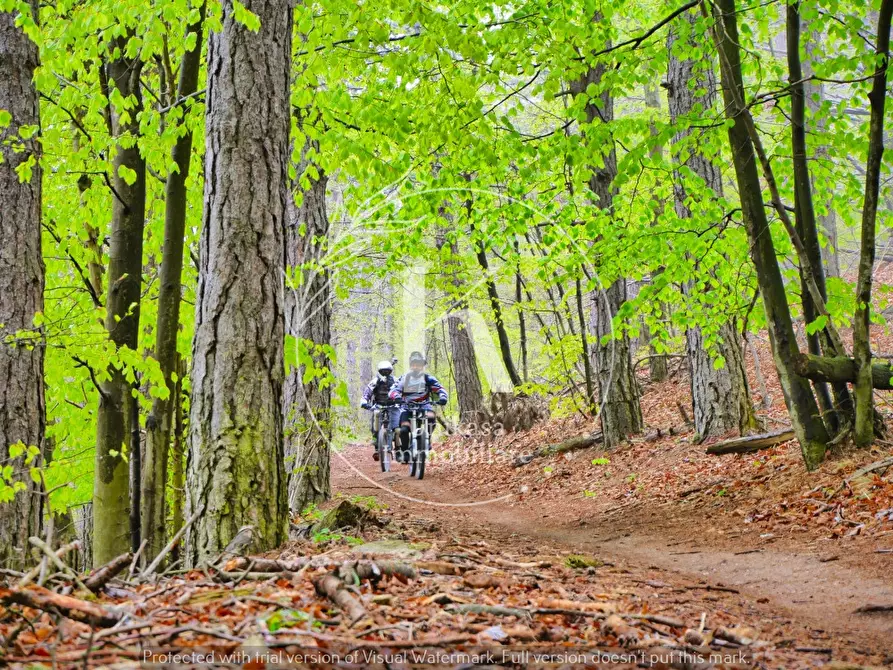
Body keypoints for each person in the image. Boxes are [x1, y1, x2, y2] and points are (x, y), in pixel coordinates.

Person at [389, 351, 448, 463]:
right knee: (404, 430)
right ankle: (405, 452)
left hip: (424, 407)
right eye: (414, 364)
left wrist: (443, 397)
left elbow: (440, 389)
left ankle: (427, 439)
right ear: (411, 365)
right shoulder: (404, 378)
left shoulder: (428, 378)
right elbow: (393, 390)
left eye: (419, 364)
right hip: (407, 408)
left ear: (422, 366)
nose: (416, 367)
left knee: (431, 417)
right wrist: (396, 396)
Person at [360, 360, 399, 461]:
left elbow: (402, 392)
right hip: (378, 407)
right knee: (375, 428)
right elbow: (367, 393)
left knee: (398, 428)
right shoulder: (375, 381)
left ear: (390, 371)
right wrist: (364, 402)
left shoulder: (396, 381)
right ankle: (377, 448)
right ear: (379, 371)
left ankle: (398, 448)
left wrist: (404, 401)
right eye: (383, 371)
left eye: (387, 371)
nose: (385, 373)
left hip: (393, 406)